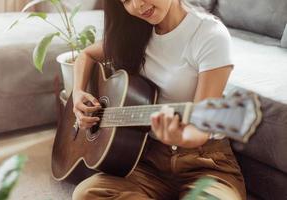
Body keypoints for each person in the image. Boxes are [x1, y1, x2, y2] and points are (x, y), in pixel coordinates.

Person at [71, 0, 246, 199]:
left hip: (205, 163)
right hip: (148, 161)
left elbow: (201, 128)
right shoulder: (135, 32)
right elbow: (86, 55)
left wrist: (182, 138)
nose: (137, 5)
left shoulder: (209, 33)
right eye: (126, 1)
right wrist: (77, 92)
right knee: (86, 194)